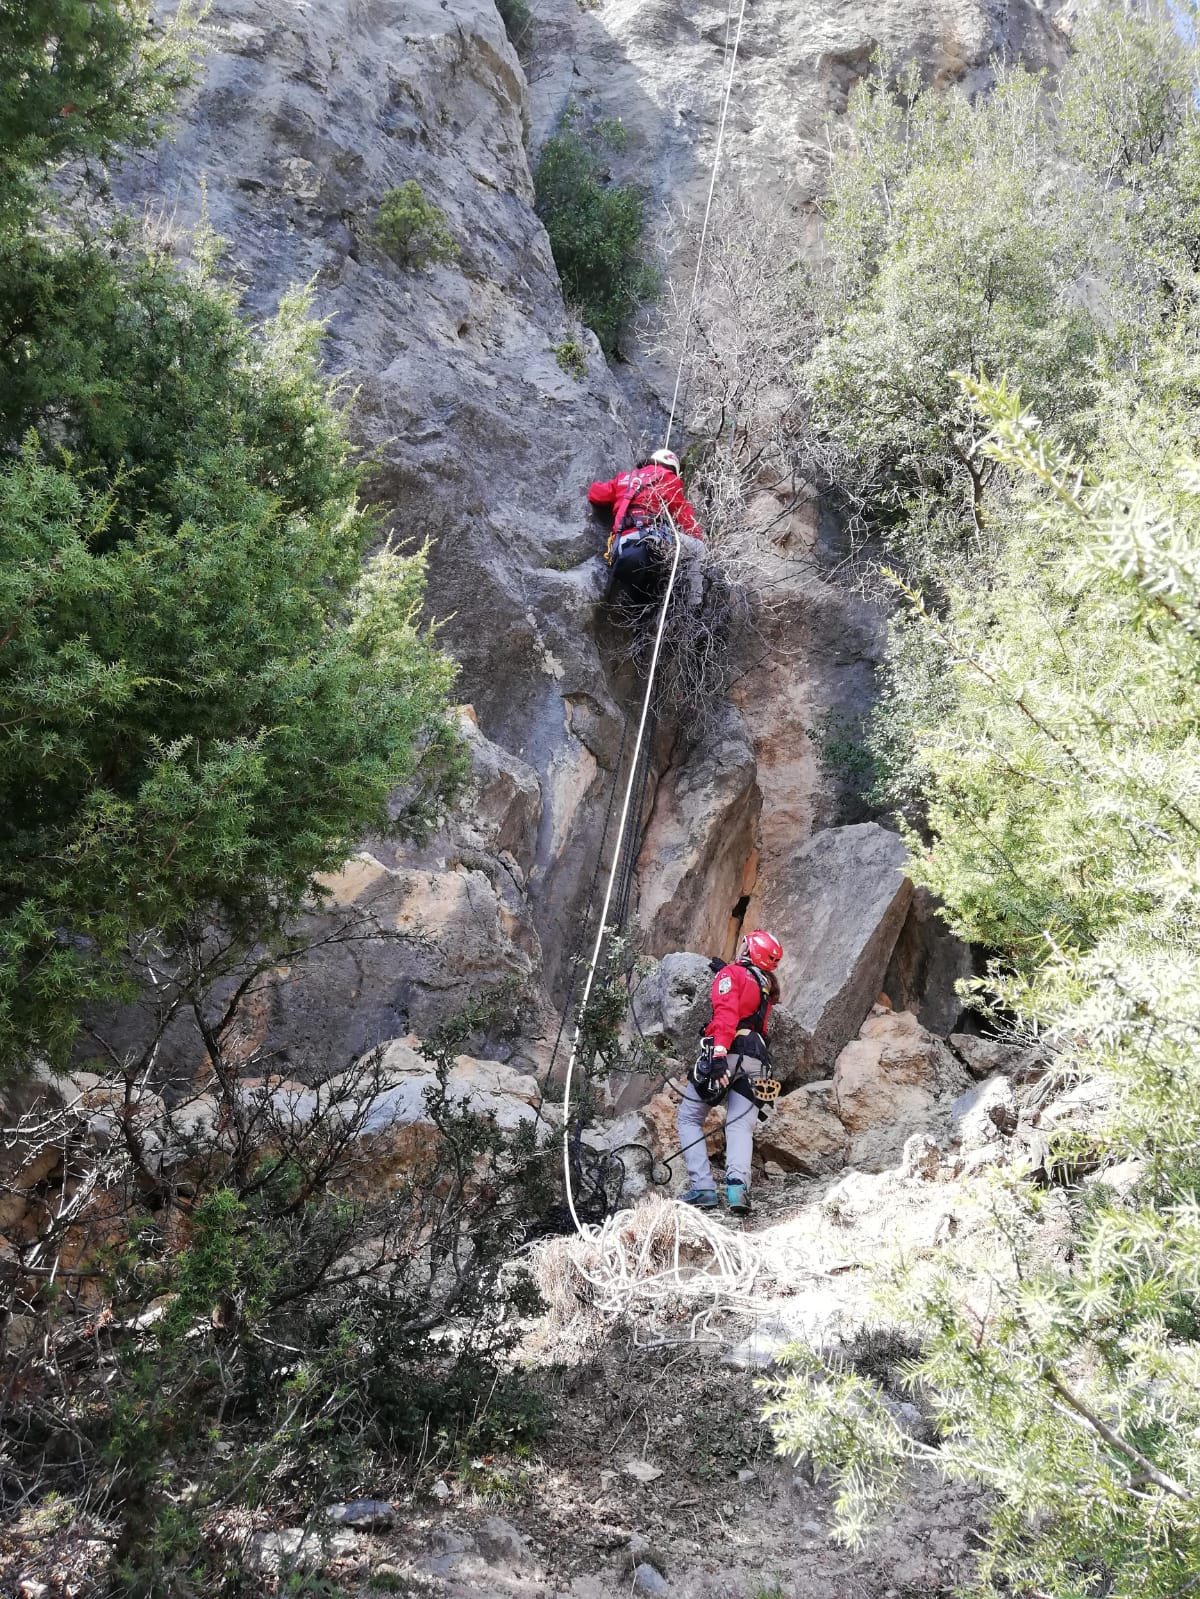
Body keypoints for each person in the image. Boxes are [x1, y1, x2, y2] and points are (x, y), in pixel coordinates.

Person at [676, 929, 783, 1217]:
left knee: (688, 1118)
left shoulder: (732, 975)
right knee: (739, 1126)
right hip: (758, 1061)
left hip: (730, 1052)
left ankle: (703, 1189)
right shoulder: (765, 987)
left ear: (750, 950)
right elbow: (749, 1011)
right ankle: (737, 1191)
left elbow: (726, 1016)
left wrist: (719, 1056)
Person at [587, 449, 703, 607]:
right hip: (651, 539)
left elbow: (596, 493)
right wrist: (698, 536)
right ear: (672, 467)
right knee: (698, 548)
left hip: (621, 545)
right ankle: (695, 604)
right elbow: (684, 516)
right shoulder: (669, 478)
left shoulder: (624, 478)